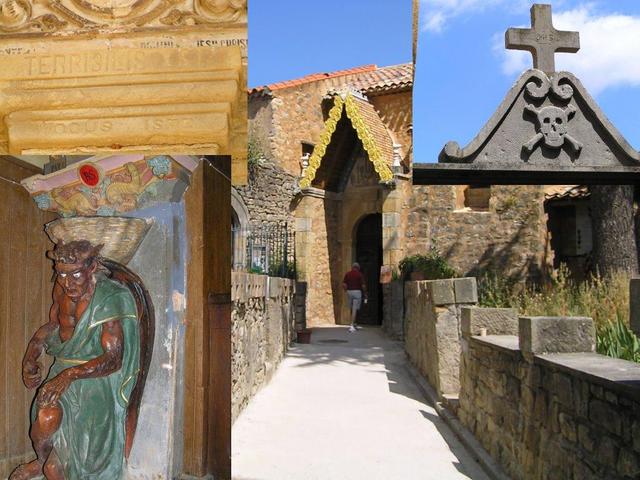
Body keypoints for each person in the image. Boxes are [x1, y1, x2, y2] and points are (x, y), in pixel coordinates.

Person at [11, 240, 141, 480]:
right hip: (63, 366)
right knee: (46, 416)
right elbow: (54, 325)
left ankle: (51, 466)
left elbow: (114, 359)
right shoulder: (62, 288)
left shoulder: (110, 296)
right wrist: (32, 353)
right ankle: (42, 461)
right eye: (61, 274)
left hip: (96, 379)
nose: (67, 283)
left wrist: (68, 376)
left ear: (92, 268)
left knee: (66, 464)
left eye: (75, 275)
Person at [342, 262, 367, 332]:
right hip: (357, 292)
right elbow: (363, 286)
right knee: (355, 308)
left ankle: (353, 322)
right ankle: (352, 324)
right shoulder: (359, 274)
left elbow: (344, 284)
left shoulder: (347, 274)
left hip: (349, 292)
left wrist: (346, 291)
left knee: (351, 308)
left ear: (352, 267)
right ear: (358, 268)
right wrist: (365, 293)